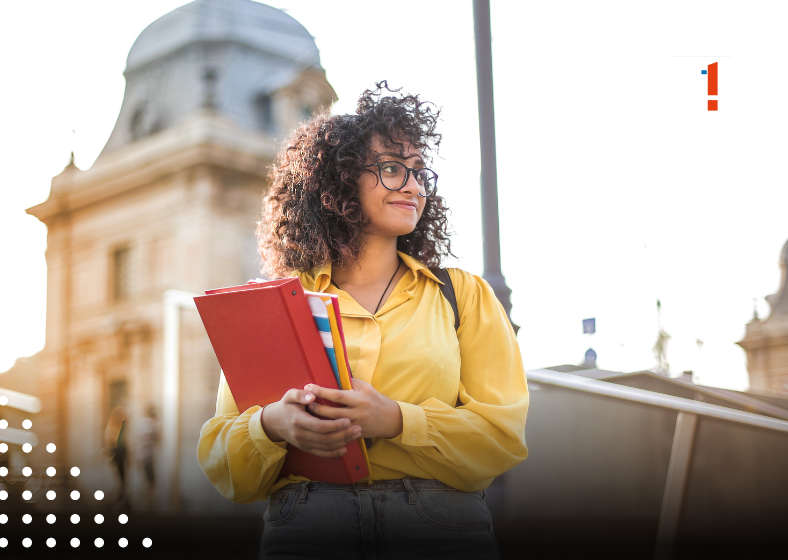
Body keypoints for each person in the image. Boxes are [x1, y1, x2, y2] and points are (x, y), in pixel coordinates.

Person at [197, 82, 529, 560]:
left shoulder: (463, 296)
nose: (413, 186)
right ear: (339, 181)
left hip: (441, 528)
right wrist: (273, 425)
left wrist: (395, 420)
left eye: (419, 172)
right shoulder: (277, 306)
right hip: (308, 528)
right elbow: (222, 458)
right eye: (392, 169)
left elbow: (501, 439)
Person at [104, 406, 129, 507]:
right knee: (119, 479)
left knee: (122, 479)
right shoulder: (113, 427)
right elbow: (111, 442)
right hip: (117, 456)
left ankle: (123, 498)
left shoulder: (120, 427)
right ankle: (119, 499)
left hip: (121, 456)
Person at [136, 404, 159, 511]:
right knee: (151, 483)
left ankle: (147, 504)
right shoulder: (149, 424)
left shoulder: (141, 424)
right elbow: (154, 438)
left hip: (142, 457)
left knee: (147, 482)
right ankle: (148, 505)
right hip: (147, 457)